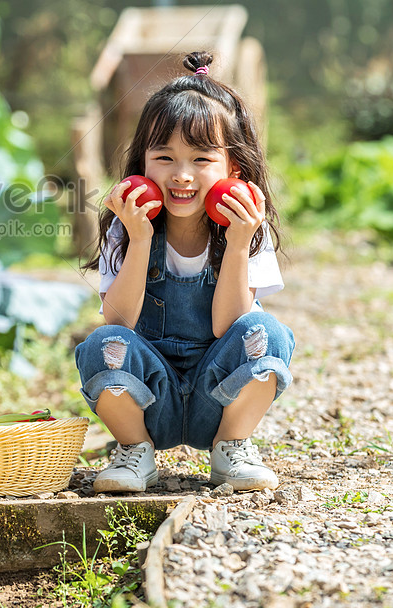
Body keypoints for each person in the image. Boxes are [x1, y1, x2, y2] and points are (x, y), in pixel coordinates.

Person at [76, 51, 294, 493]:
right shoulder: (128, 226)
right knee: (102, 345)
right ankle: (135, 451)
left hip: (217, 395)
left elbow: (229, 325)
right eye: (164, 157)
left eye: (201, 160)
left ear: (234, 168)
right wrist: (138, 241)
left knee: (267, 332)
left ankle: (230, 447)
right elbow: (118, 323)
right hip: (151, 398)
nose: (181, 176)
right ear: (141, 164)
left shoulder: (247, 229)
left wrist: (235, 244)